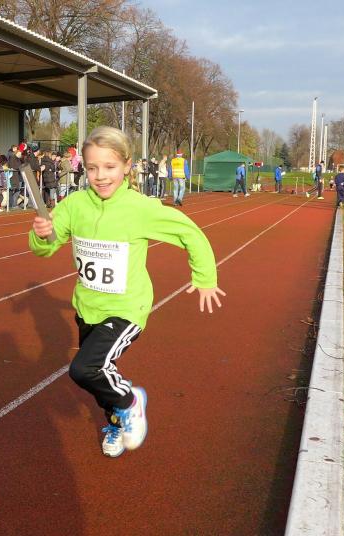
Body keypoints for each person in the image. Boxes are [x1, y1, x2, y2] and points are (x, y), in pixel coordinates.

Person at [29, 125, 225, 458]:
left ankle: (131, 402)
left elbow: (189, 233)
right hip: (88, 307)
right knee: (99, 375)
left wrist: (205, 277)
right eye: (92, 168)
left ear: (126, 166)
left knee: (84, 369)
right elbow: (45, 249)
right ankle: (118, 422)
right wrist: (42, 233)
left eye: (109, 167)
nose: (100, 176)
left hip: (126, 309)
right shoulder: (74, 205)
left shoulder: (140, 208)